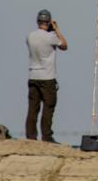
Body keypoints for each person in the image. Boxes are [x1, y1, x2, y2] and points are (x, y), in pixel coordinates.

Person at [25, 9, 68, 143]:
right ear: (48, 22)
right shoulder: (50, 37)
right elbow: (64, 45)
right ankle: (47, 136)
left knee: (33, 108)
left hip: (33, 75)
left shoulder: (30, 36)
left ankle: (31, 136)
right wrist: (56, 29)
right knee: (48, 108)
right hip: (47, 77)